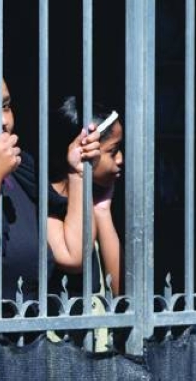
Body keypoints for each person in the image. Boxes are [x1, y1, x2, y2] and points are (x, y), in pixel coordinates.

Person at [0, 62, 113, 308]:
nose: (2, 120)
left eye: (5, 106)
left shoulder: (22, 169)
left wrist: (77, 173)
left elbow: (73, 253)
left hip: (28, 324)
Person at [46, 96, 124, 296]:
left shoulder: (96, 195)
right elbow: (74, 258)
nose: (120, 159)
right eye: (113, 151)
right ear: (83, 150)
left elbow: (120, 293)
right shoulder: (45, 201)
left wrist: (102, 211)